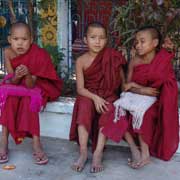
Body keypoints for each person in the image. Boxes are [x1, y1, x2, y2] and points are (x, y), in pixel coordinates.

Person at [102, 26, 179, 169]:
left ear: (155, 43)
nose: (138, 45)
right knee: (116, 112)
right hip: (134, 98)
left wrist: (136, 87)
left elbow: (167, 85)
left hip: (156, 102)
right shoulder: (134, 61)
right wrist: (141, 89)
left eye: (142, 41)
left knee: (146, 114)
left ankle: (145, 154)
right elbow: (126, 87)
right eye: (136, 42)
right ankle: (134, 149)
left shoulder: (162, 59)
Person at [0, 22, 63, 165]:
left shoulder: (39, 54)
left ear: (32, 40)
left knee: (29, 101)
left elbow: (31, 85)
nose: (20, 43)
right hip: (16, 86)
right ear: (10, 40)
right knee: (10, 100)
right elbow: (11, 80)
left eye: (24, 39)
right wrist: (16, 76)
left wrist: (27, 74)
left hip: (33, 87)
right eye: (16, 39)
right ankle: (3, 140)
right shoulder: (8, 53)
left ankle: (36, 142)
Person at [69, 22, 126, 173]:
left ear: (106, 40)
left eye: (101, 38)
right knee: (84, 105)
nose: (97, 41)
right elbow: (80, 89)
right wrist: (95, 98)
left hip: (108, 94)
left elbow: (122, 83)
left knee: (109, 108)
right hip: (89, 94)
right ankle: (83, 152)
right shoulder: (81, 61)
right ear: (85, 39)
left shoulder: (112, 57)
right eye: (93, 37)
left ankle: (97, 153)